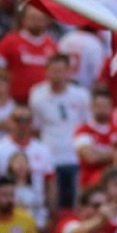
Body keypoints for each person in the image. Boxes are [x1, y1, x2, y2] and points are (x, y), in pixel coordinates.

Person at [28, 54, 91, 209]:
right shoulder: (37, 95)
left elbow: (86, 124)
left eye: (61, 71)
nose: (57, 75)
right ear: (46, 72)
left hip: (74, 155)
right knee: (52, 201)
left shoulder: (81, 95)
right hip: (50, 155)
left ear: (68, 72)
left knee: (74, 201)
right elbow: (36, 127)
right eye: (53, 71)